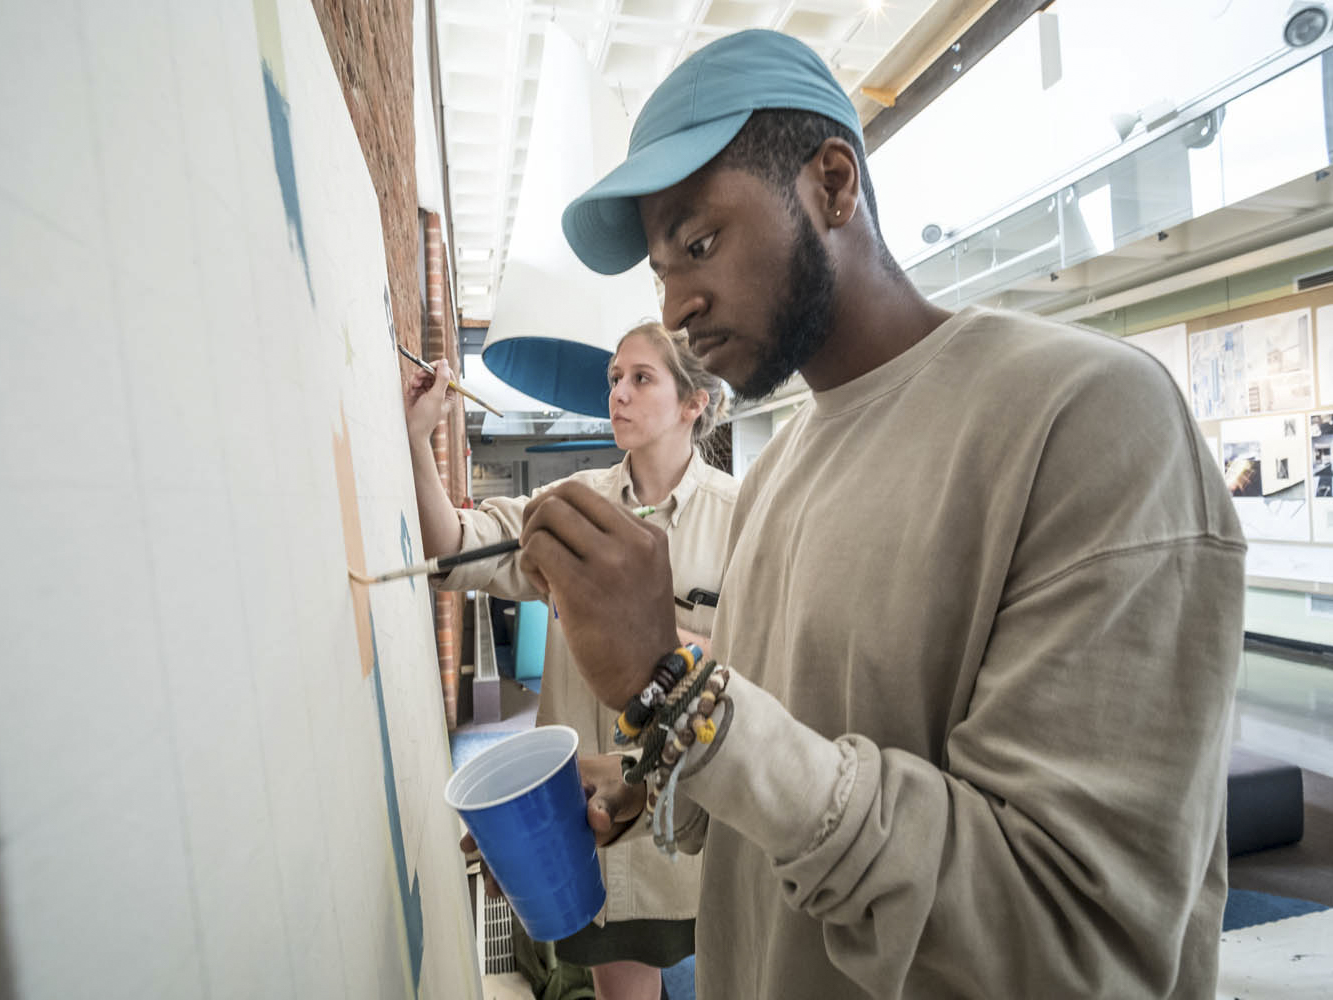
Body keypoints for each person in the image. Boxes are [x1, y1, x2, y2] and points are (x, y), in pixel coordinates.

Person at [511, 29, 1247, 999]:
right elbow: (795, 754)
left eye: (699, 242)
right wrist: (659, 776)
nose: (678, 303)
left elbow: (1071, 941)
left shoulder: (1087, 417)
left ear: (831, 184)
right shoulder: (782, 473)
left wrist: (674, 686)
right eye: (660, 270)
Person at [404, 322, 739, 1000]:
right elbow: (454, 550)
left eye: (641, 378)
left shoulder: (741, 518)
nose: (618, 392)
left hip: (690, 822)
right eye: (615, 377)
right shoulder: (569, 509)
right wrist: (417, 439)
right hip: (587, 820)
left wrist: (654, 635)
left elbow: (754, 665)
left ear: (692, 402)